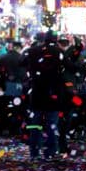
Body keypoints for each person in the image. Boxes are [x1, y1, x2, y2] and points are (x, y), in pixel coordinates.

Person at [25, 31, 62, 160]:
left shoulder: (33, 50)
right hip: (53, 94)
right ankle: (50, 152)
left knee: (35, 124)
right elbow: (70, 67)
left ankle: (34, 152)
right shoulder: (58, 52)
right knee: (52, 124)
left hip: (37, 92)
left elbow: (22, 63)